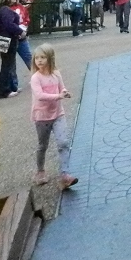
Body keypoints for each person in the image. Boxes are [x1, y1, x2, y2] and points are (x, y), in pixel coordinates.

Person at [30, 44, 78, 189]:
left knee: (63, 143)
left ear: (50, 58)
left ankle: (64, 175)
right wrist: (58, 96)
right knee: (42, 145)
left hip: (58, 114)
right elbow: (39, 96)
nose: (39, 61)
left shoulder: (56, 74)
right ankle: (40, 171)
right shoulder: (35, 78)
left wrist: (64, 92)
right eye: (37, 58)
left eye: (43, 57)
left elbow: (61, 87)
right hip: (42, 117)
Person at [0, 0, 25, 98]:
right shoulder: (5, 10)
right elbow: (9, 25)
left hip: (1, 38)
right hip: (8, 39)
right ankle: (5, 90)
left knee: (6, 64)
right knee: (8, 65)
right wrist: (20, 31)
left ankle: (10, 88)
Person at [10, 0, 32, 71]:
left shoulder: (20, 7)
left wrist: (25, 27)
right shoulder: (5, 9)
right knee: (10, 62)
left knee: (29, 57)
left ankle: (38, 77)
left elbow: (26, 17)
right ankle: (12, 82)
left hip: (22, 37)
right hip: (11, 38)